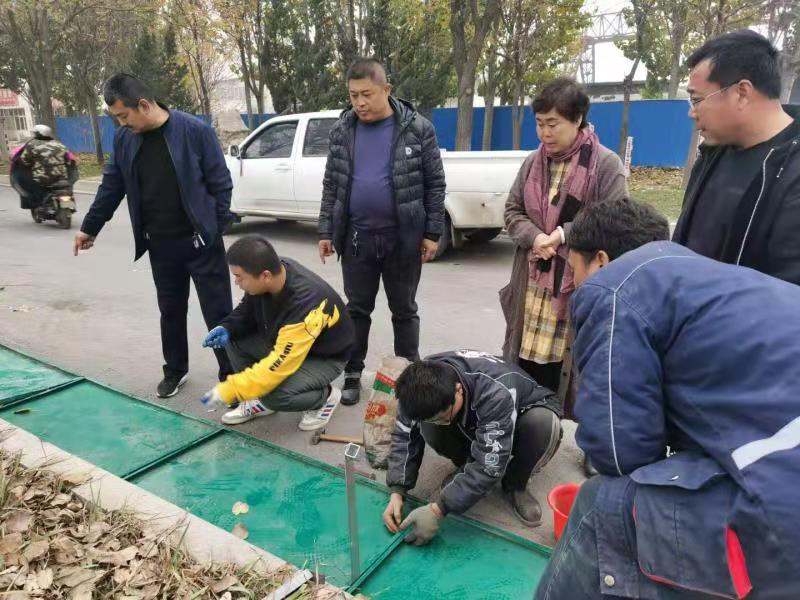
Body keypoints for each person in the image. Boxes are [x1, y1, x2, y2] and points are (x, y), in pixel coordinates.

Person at [536, 198, 800, 599]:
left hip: (783, 505)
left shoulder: (614, 285)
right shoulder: (711, 278)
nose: (574, 283)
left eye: (574, 270)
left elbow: (618, 451)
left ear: (601, 260)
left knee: (601, 503)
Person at [73, 73, 234, 398]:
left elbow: (221, 184)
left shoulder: (194, 131)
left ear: (144, 105)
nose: (121, 124)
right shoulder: (125, 139)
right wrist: (90, 227)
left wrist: (212, 231)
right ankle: (175, 370)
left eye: (123, 115)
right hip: (161, 245)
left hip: (201, 243)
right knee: (170, 311)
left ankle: (232, 375)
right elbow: (112, 184)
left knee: (218, 312)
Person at [318, 57, 446, 407]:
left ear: (386, 90)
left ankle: (410, 379)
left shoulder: (417, 129)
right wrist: (326, 230)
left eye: (367, 94)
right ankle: (353, 373)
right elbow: (332, 184)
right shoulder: (342, 130)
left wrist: (432, 233)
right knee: (356, 310)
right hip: (357, 239)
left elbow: (435, 184)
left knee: (404, 310)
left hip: (402, 239)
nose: (359, 103)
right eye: (353, 95)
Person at [501, 77, 626, 399]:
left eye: (553, 124)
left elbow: (613, 222)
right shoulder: (533, 162)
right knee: (524, 371)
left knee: (567, 375)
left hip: (574, 286)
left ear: (577, 119)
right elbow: (512, 210)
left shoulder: (605, 164)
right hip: (532, 284)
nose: (545, 133)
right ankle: (530, 421)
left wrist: (562, 235)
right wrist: (535, 237)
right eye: (539, 123)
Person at [382, 351, 562, 545]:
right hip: (478, 416)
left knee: (542, 424)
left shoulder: (494, 392)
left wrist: (438, 509)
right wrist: (397, 491)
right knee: (430, 424)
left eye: (443, 416)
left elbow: (490, 463)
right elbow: (404, 435)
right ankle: (466, 470)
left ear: (458, 389)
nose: (441, 422)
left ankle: (516, 484)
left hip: (524, 413)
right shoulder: (416, 387)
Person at [673, 30, 800, 285]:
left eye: (696, 100)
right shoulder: (713, 153)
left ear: (742, 92)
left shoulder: (792, 172)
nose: (692, 113)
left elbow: (787, 293)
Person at [199, 235, 354, 432]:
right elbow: (247, 309)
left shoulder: (305, 305)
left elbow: (278, 367)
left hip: (324, 357)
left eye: (239, 276)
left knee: (273, 396)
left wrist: (231, 389)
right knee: (234, 339)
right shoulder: (274, 271)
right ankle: (257, 400)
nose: (236, 282)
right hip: (290, 343)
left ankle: (325, 397)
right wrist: (227, 327)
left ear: (265, 276)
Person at [12, 125, 78, 207]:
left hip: (42, 178)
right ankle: (68, 205)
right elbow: (68, 161)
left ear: (37, 133)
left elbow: (25, 160)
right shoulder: (59, 145)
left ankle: (37, 204)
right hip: (62, 177)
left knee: (29, 185)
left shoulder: (32, 145)